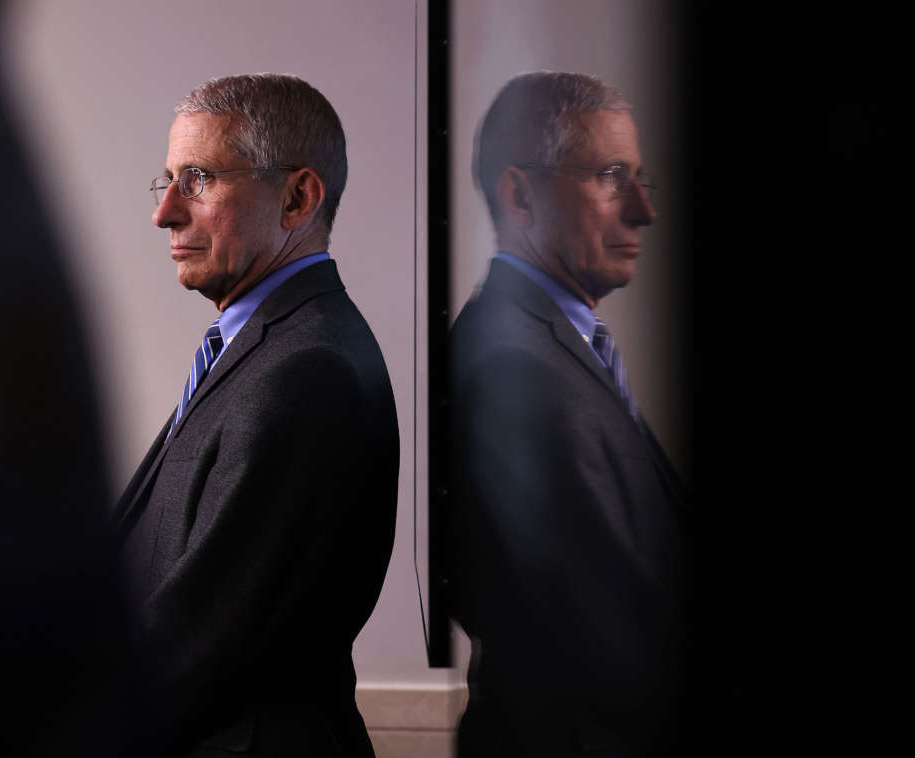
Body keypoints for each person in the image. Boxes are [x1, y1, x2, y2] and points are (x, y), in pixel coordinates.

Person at [112, 73, 399, 756]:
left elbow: (199, 640)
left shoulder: (307, 370)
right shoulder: (261, 348)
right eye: (169, 181)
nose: (166, 213)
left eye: (201, 178)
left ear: (298, 197)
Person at [450, 71, 691, 756]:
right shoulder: (514, 367)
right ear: (521, 194)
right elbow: (612, 633)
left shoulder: (552, 347)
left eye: (641, 178)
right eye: (612, 176)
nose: (643, 208)